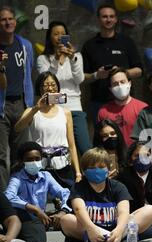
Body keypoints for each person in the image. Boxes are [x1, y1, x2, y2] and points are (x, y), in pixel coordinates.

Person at [60, 148, 152, 242]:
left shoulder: (118, 187)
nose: (97, 170)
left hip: (116, 227)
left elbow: (123, 212)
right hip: (87, 227)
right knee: (66, 220)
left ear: (108, 169)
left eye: (101, 167)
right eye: (92, 168)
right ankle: (110, 237)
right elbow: (78, 209)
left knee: (150, 210)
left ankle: (116, 236)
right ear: (84, 170)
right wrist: (91, 228)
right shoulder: (78, 187)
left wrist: (119, 230)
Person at [0, 6, 34, 191]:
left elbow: (28, 72)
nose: (7, 22)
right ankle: (2, 196)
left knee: (20, 153)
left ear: (15, 21)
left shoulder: (26, 45)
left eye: (10, 19)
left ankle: (19, 193)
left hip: (21, 104)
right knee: (0, 156)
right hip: (0, 107)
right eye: (3, 20)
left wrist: (28, 104)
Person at [15, 71, 81, 188]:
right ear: (39, 89)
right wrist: (36, 108)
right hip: (39, 166)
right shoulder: (32, 111)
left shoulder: (65, 112)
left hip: (62, 165)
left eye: (53, 84)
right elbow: (18, 128)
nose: (50, 88)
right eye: (45, 85)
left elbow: (72, 145)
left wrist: (77, 172)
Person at [37, 21, 91, 155]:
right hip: (53, 107)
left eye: (63, 34)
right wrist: (55, 59)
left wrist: (72, 59)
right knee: (60, 148)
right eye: (56, 34)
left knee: (85, 147)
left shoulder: (77, 56)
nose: (60, 37)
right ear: (49, 37)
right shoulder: (43, 59)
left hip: (74, 106)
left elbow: (79, 79)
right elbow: (47, 81)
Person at [81, 4, 143, 121]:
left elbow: (139, 70)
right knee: (103, 137)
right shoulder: (89, 45)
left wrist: (121, 72)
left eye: (111, 16)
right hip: (99, 102)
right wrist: (96, 75)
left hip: (126, 100)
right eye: (104, 17)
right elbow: (82, 77)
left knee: (130, 137)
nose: (108, 19)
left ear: (116, 19)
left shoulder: (127, 42)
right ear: (98, 19)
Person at [5, 142, 71, 236]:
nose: (34, 162)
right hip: (24, 218)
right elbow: (8, 197)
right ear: (22, 161)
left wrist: (63, 211)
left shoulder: (46, 176)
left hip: (41, 219)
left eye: (37, 159)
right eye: (29, 160)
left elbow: (65, 193)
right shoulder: (17, 178)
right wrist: (34, 209)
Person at [97, 68, 147, 146]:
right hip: (114, 156)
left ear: (130, 83)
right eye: (115, 84)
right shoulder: (103, 111)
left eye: (122, 82)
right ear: (110, 89)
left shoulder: (143, 108)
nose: (120, 86)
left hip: (137, 155)